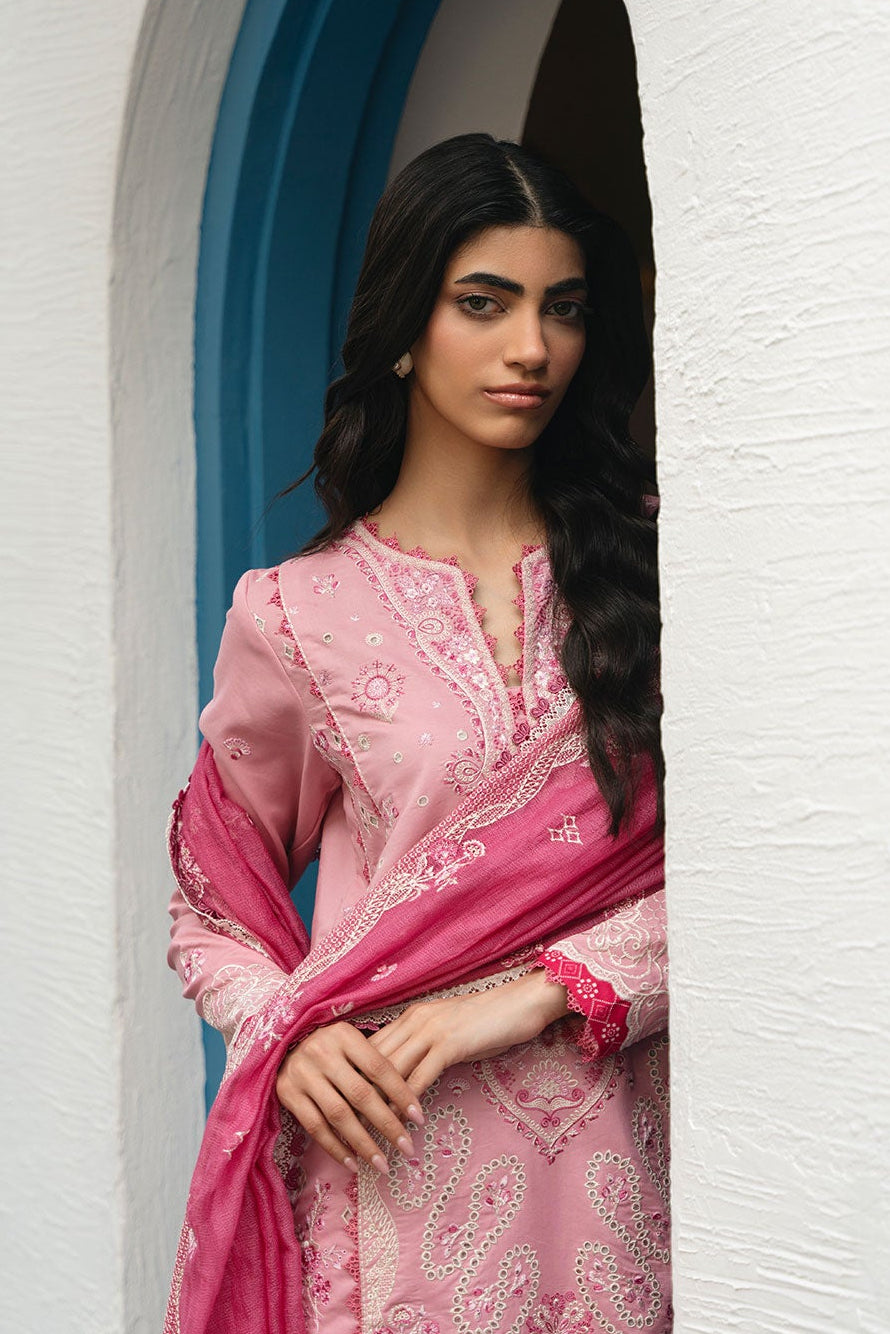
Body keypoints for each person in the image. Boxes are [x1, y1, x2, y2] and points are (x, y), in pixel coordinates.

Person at [165, 133, 669, 1334]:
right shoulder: (294, 614)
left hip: (620, 1166)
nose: (531, 349)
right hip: (396, 1181)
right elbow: (212, 904)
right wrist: (280, 1031)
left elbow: (757, 865)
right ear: (404, 327)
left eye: (561, 308)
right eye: (482, 304)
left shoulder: (658, 562)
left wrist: (541, 990)